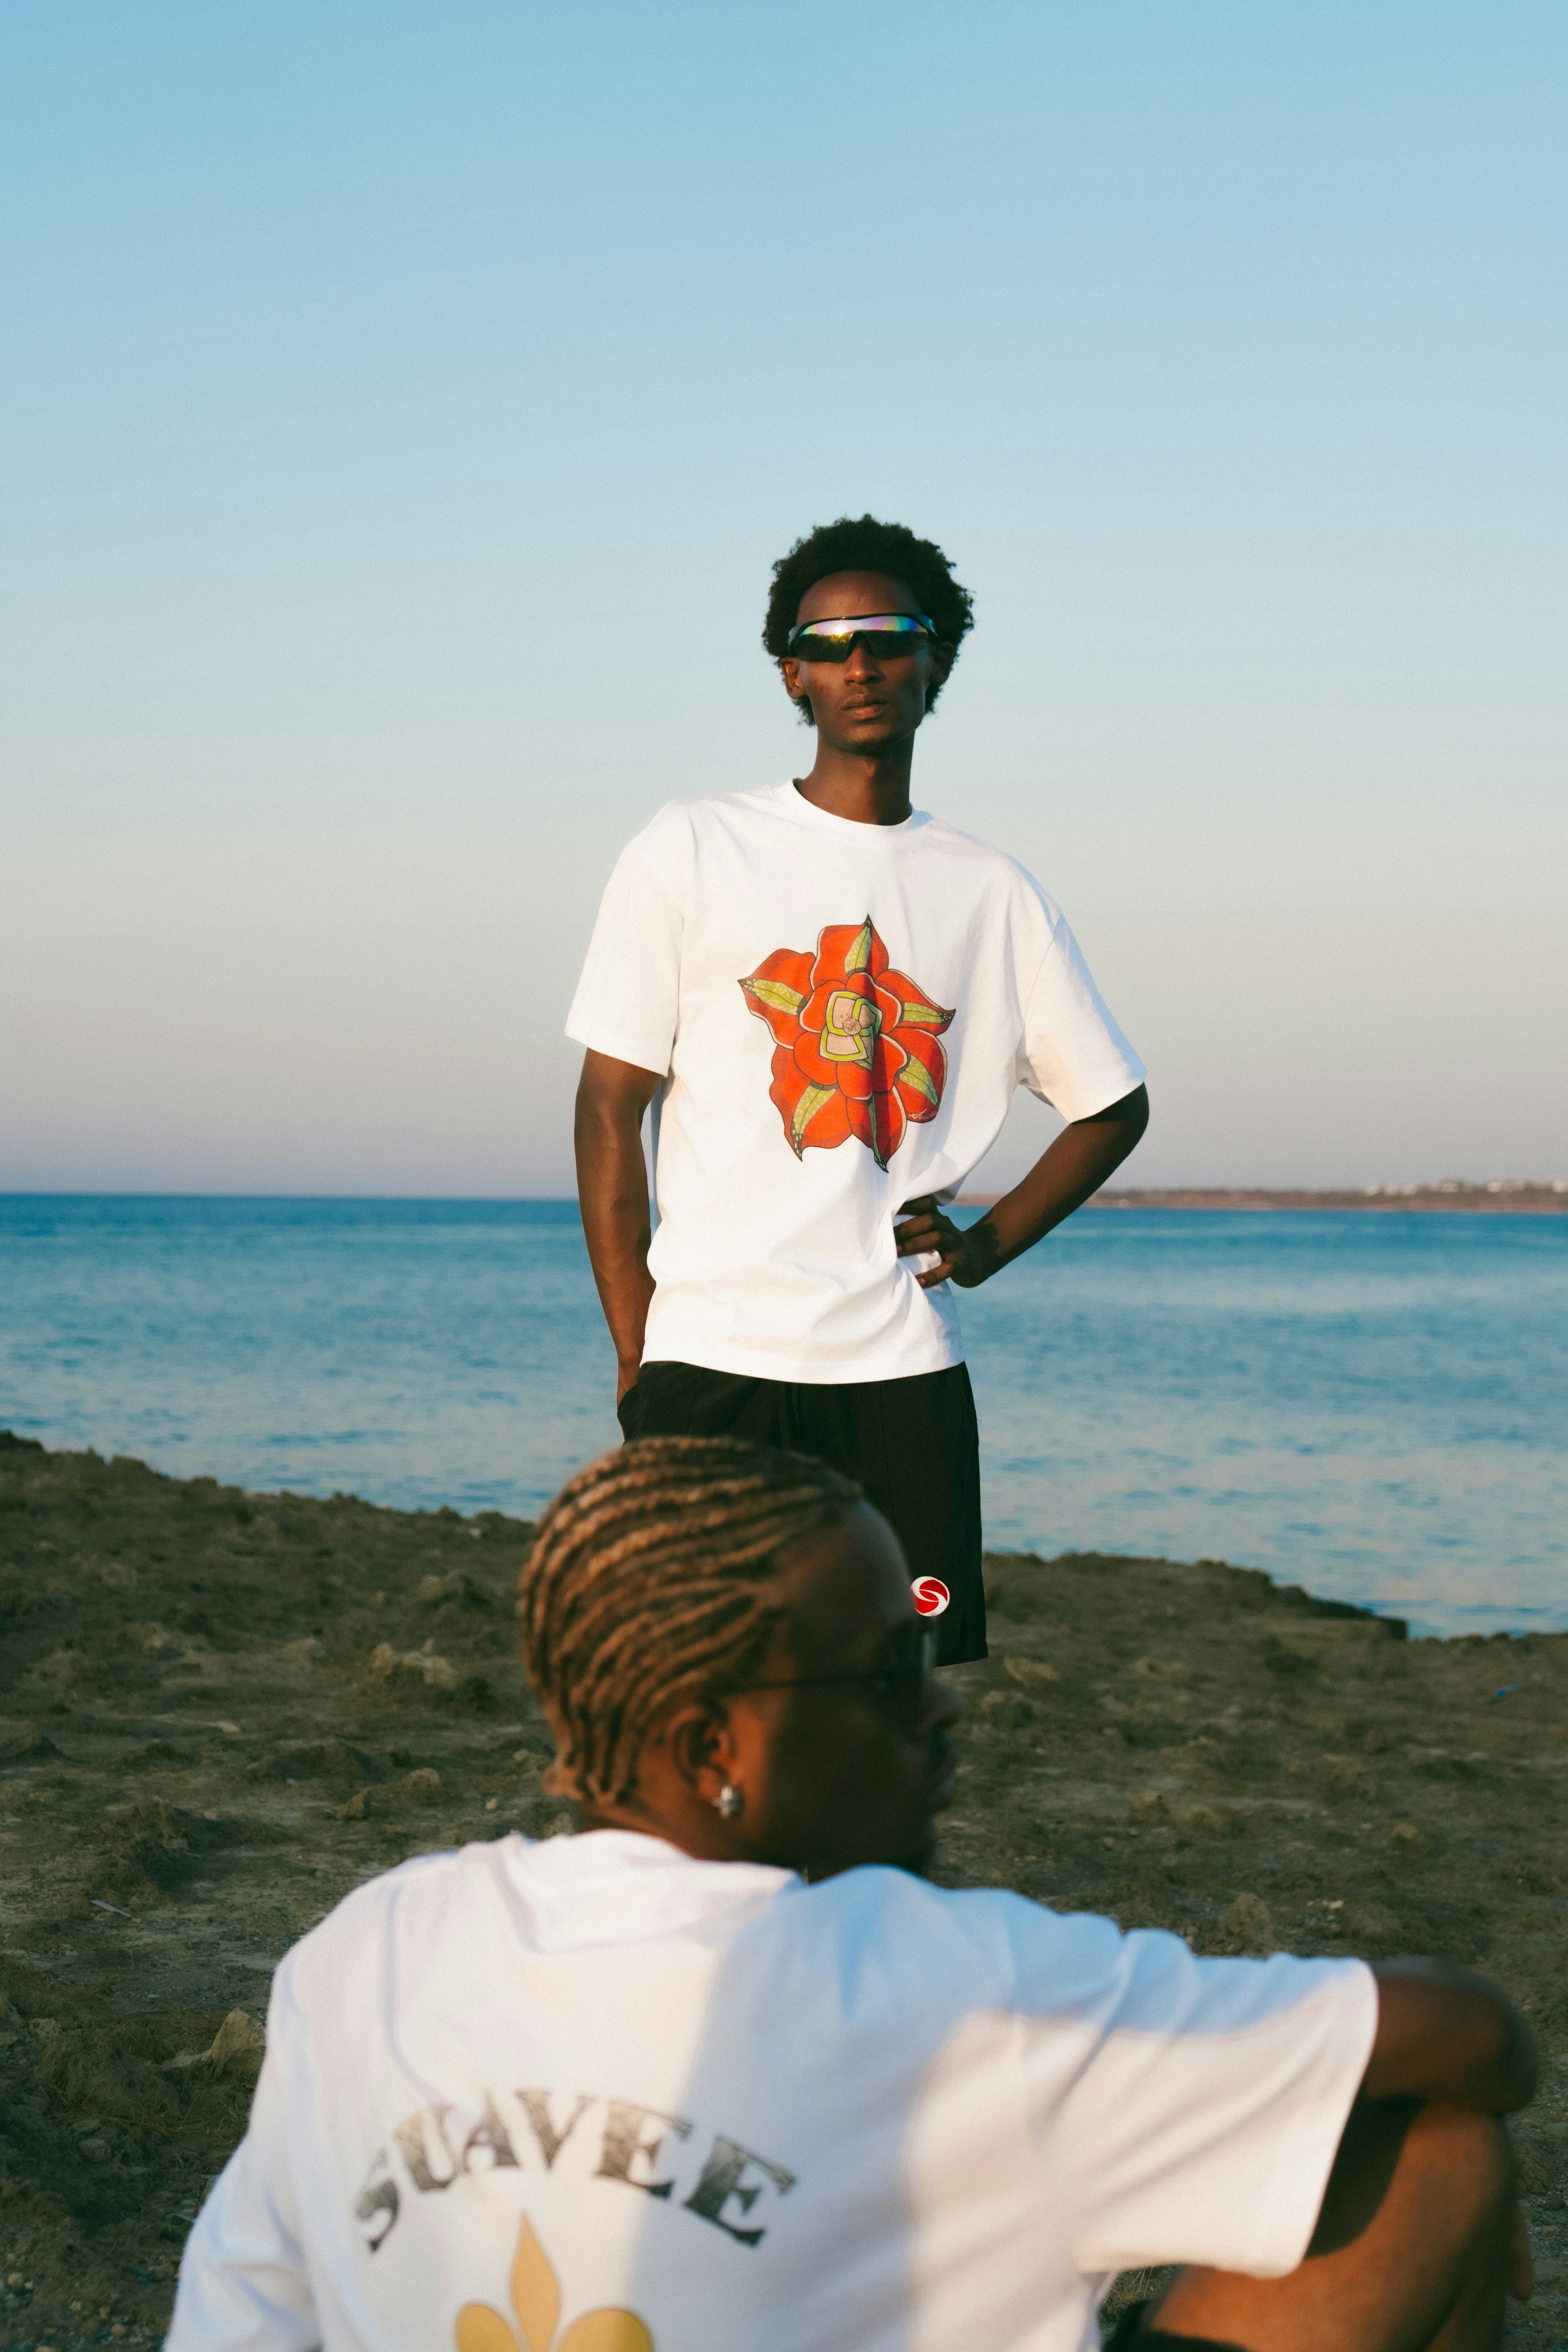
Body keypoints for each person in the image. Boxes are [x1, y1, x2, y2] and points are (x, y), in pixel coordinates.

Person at [169, 1436, 1535, 2352]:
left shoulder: (377, 1947)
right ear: (713, 1749)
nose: (940, 1715)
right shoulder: (951, 1988)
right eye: (889, 1676)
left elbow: (247, 2310)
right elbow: (1474, 2038)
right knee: (1432, 2151)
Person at [568, 514, 1150, 1666]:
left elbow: (1111, 1105)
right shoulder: (693, 847)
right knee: (684, 1684)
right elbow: (606, 1108)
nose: (861, 664)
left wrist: (985, 1249)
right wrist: (640, 1350)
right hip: (713, 1363)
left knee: (888, 1698)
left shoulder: (991, 892)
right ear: (792, 671)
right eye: (829, 643)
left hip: (899, 1375)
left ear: (936, 661)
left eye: (889, 637)